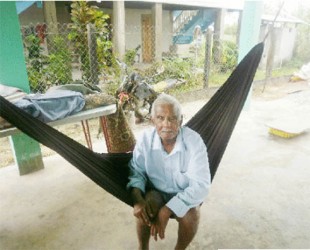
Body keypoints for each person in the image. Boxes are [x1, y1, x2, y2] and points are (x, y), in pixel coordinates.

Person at [127, 93, 211, 250]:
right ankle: (142, 247)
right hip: (156, 191)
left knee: (191, 215)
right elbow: (136, 173)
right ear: (153, 120)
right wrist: (138, 200)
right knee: (145, 208)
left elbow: (201, 185)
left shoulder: (194, 142)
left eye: (172, 118)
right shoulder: (145, 140)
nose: (166, 124)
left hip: (183, 193)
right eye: (160, 118)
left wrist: (167, 210)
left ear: (181, 121)